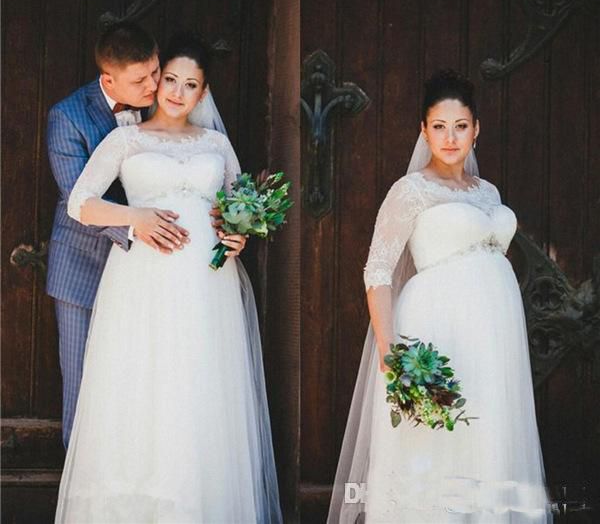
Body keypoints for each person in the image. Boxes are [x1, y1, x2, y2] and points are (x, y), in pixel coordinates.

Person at [54, 32, 282, 523]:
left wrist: (241, 238)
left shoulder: (217, 144)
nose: (176, 91)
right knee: (143, 383)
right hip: (142, 282)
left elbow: (238, 209)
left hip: (206, 286)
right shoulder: (125, 139)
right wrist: (134, 218)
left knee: (199, 385)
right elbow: (79, 203)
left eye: (190, 84)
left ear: (204, 93)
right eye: (169, 79)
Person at [328, 70, 552, 523]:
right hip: (436, 328)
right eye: (439, 126)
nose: (450, 138)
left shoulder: (488, 192)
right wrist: (391, 353)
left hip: (492, 339)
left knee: (487, 440)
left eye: (461, 126)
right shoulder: (410, 191)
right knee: (435, 444)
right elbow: (377, 271)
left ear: (476, 129)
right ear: (423, 130)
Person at [46, 20, 246, 449]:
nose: (159, 86)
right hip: (89, 266)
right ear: (110, 80)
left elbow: (233, 202)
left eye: (160, 73)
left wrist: (236, 232)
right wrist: (141, 223)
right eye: (147, 79)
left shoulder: (206, 137)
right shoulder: (68, 117)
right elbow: (75, 197)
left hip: (183, 278)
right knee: (88, 390)